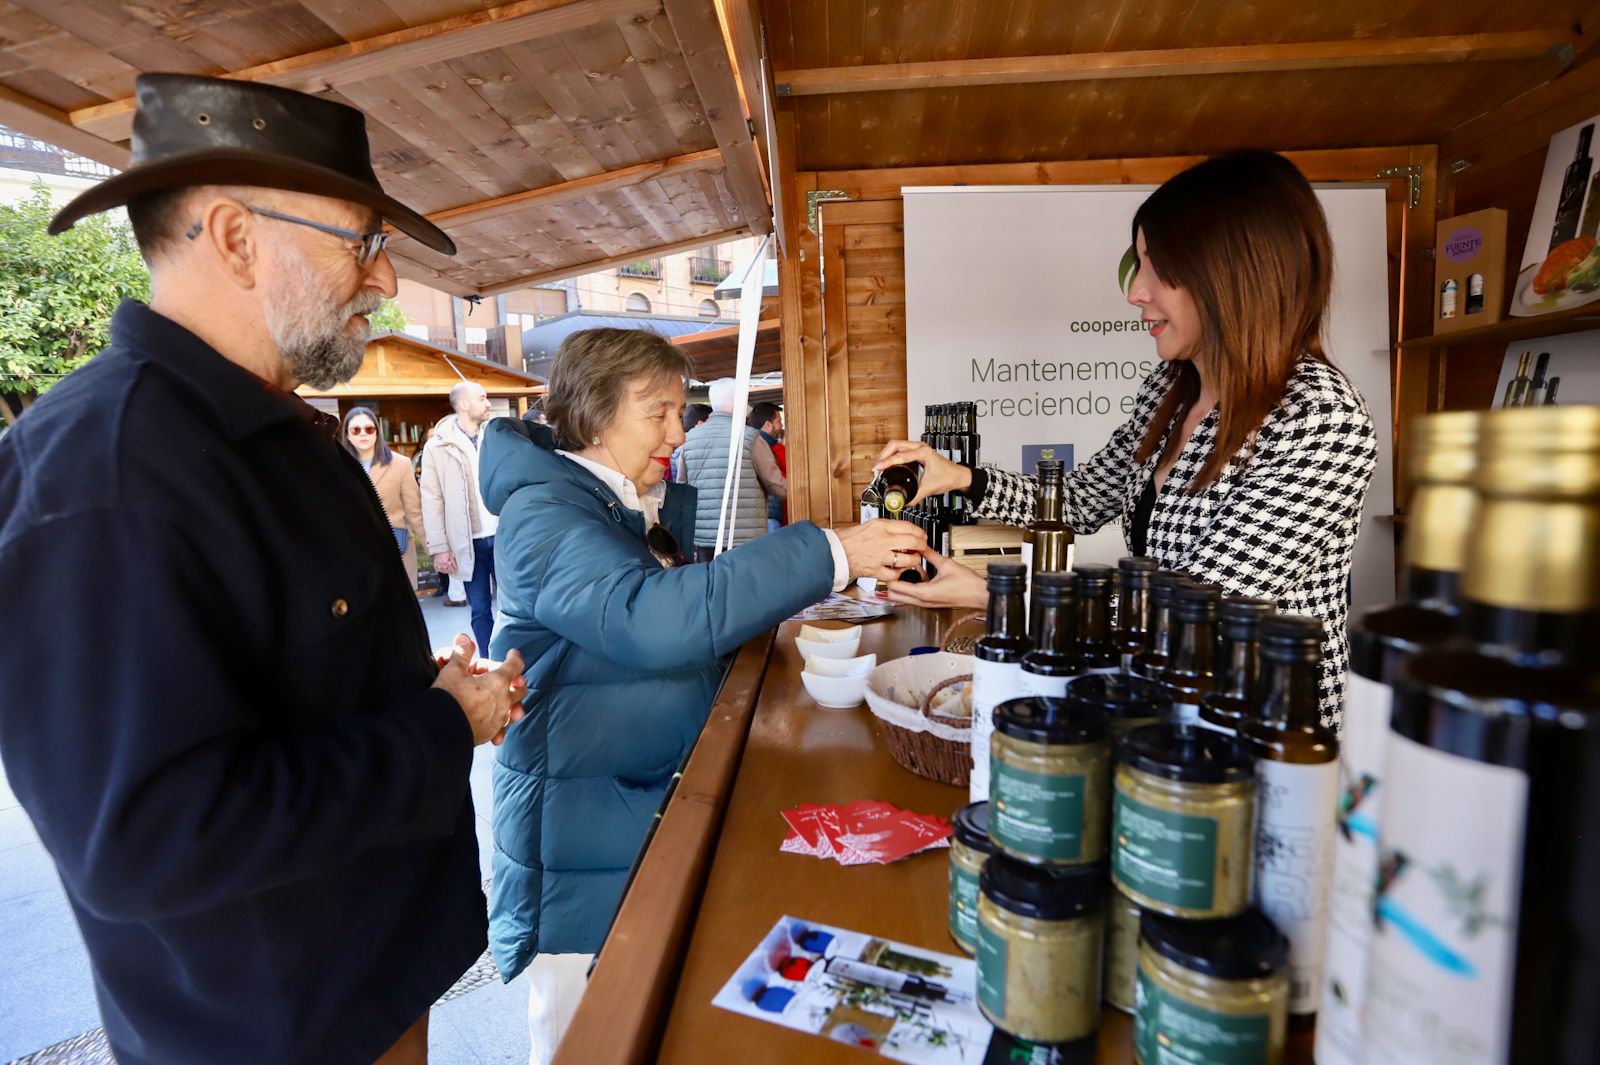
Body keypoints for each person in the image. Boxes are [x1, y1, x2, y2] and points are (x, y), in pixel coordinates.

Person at [0, 74, 528, 1065]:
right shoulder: (105, 472)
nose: (386, 282)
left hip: (373, 984)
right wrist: (439, 725)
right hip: (275, 1032)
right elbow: (152, 841)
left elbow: (285, 691)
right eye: (365, 241)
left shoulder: (282, 435)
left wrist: (426, 688)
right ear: (238, 238)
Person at [478, 328, 925, 1064]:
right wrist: (835, 551)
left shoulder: (607, 501)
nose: (677, 433)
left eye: (679, 411)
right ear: (592, 414)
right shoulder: (547, 512)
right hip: (577, 854)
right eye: (657, 412)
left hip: (614, 817)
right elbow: (654, 620)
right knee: (587, 1037)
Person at [875, 150, 1377, 729]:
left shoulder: (1318, 418)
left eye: (1156, 266)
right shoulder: (1174, 391)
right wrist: (959, 477)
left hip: (1259, 738)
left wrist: (999, 598)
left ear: (1233, 272)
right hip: (1158, 711)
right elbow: (1084, 498)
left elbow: (1197, 611)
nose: (1136, 292)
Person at [420, 381, 499, 649]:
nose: (488, 404)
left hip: (504, 536)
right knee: (479, 609)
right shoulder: (436, 447)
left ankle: (523, 662)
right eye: (483, 398)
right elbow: (431, 500)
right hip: (468, 542)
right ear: (464, 404)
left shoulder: (497, 436)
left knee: (519, 605)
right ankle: (492, 663)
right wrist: (440, 548)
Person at [676, 379, 780, 560]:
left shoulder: (689, 439)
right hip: (746, 537)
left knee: (714, 585)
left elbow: (681, 487)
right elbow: (775, 484)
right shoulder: (751, 437)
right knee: (746, 586)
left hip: (704, 538)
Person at [343, 406, 426, 589]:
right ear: (347, 435)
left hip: (396, 546)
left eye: (369, 429)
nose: (363, 434)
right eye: (356, 430)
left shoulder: (400, 464)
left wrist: (435, 551)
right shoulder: (338, 466)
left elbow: (415, 512)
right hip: (356, 551)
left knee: (401, 606)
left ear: (377, 432)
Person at [749, 401, 787, 531]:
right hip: (769, 513)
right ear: (767, 425)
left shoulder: (753, 442)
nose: (781, 425)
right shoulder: (762, 445)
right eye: (778, 421)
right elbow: (773, 481)